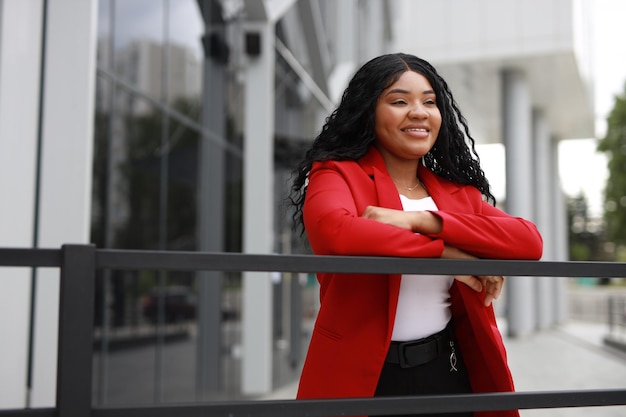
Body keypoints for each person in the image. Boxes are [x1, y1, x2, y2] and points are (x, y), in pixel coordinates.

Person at [288, 53, 543, 417]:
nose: (419, 112)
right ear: (368, 111)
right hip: (362, 379)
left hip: (447, 372)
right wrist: (448, 257)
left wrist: (425, 221)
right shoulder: (336, 174)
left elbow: (529, 241)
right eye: (399, 101)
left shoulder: (457, 194)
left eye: (429, 101)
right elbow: (337, 234)